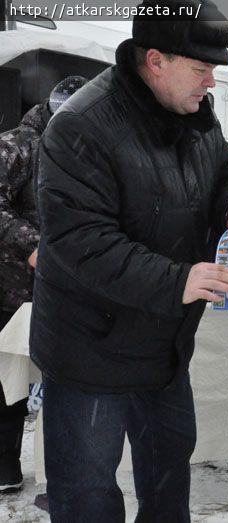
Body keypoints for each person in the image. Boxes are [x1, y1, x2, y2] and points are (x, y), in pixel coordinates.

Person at [29, 2, 228, 520]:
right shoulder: (80, 126)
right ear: (155, 60)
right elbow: (80, 241)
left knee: (166, 471)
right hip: (91, 347)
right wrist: (180, 279)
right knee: (87, 493)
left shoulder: (194, 114)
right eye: (202, 70)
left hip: (164, 345)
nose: (210, 83)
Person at [0, 75, 87, 493]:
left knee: (61, 379)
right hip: (11, 284)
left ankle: (62, 472)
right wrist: (33, 245)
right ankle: (4, 466)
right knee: (8, 376)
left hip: (64, 286)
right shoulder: (18, 143)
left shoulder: (82, 148)